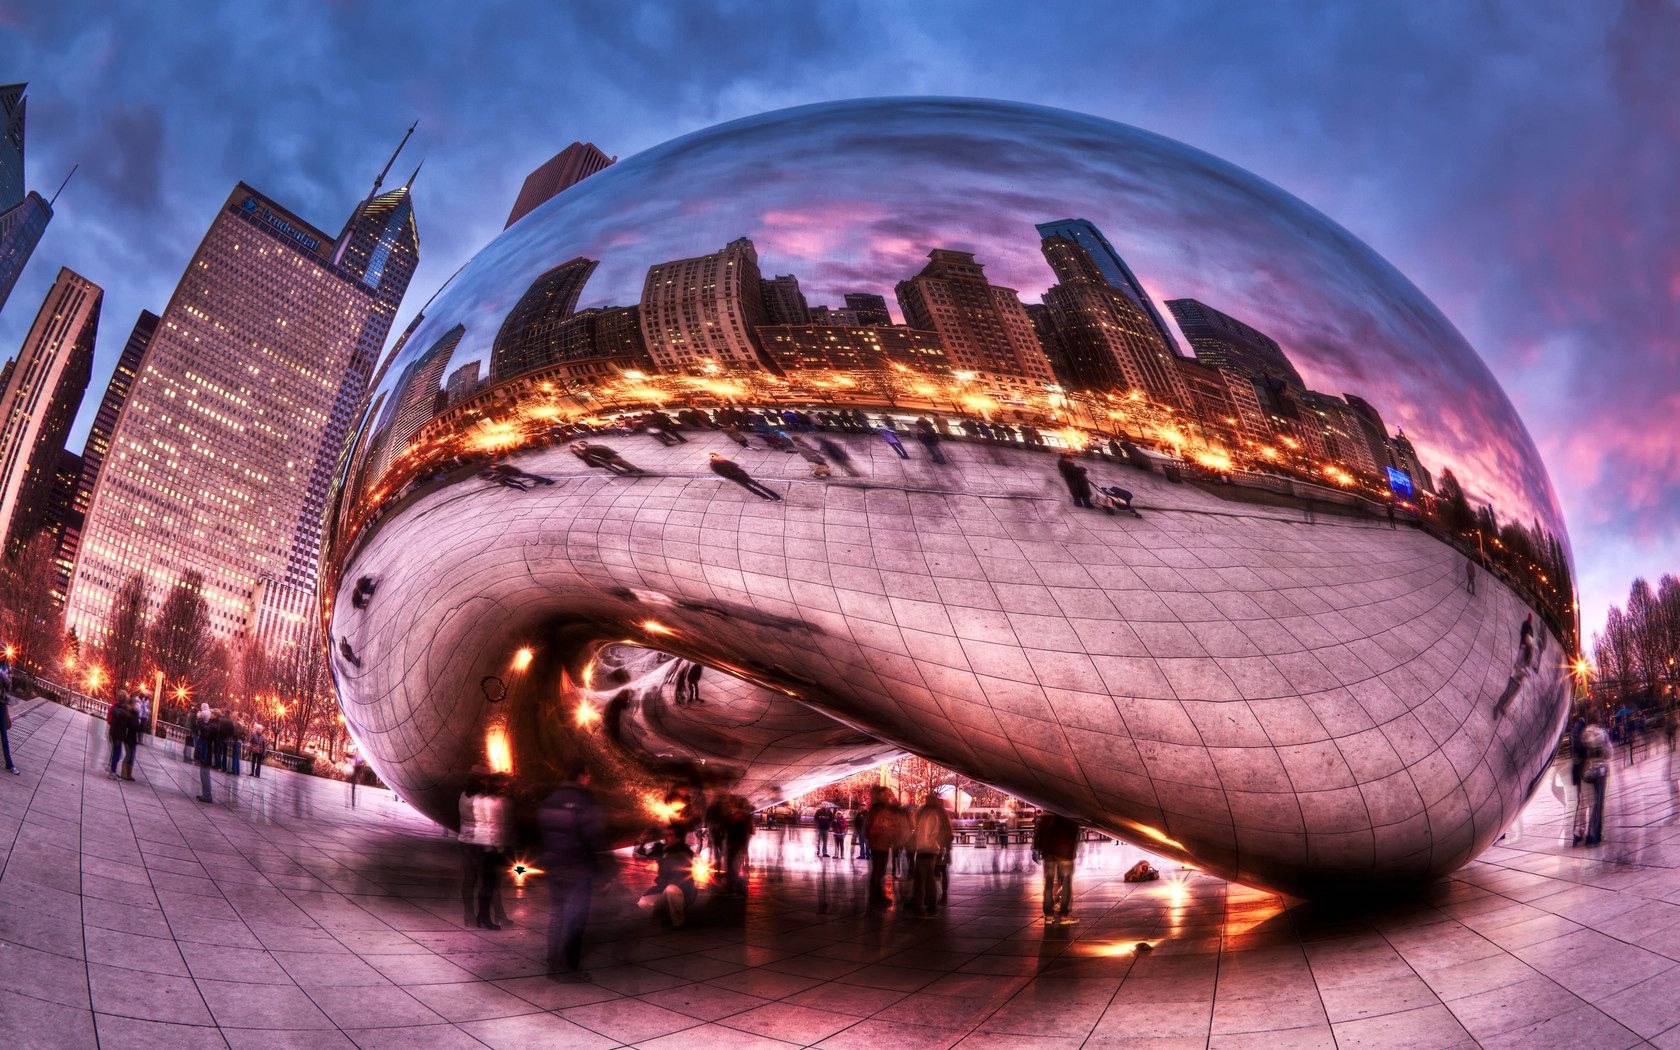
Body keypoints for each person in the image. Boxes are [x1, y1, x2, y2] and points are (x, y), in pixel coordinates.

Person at [540, 767, 605, 979]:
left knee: (557, 916)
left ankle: (553, 961)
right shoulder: (584, 801)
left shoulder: (551, 799)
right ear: (582, 776)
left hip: (554, 866)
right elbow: (593, 838)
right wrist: (602, 870)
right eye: (588, 775)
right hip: (577, 869)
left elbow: (542, 832)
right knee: (574, 919)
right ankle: (567, 968)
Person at [460, 772, 512, 929]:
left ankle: (469, 915)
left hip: (465, 840)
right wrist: (499, 846)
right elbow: (490, 824)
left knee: (469, 879)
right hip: (481, 842)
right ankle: (489, 916)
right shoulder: (483, 800)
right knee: (489, 881)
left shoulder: (463, 795)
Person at [635, 826, 698, 928]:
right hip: (663, 887)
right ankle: (665, 914)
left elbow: (676, 861)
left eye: (669, 835)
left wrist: (664, 853)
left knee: (671, 890)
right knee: (643, 903)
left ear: (678, 838)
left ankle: (678, 923)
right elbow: (642, 856)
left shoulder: (685, 851)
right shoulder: (661, 848)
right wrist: (643, 841)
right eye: (665, 835)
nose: (665, 837)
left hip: (683, 889)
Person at [909, 792, 954, 915]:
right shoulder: (938, 813)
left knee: (924, 877)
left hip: (927, 848)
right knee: (930, 877)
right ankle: (930, 903)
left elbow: (926, 832)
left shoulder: (929, 814)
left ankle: (925, 903)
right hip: (932, 849)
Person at [863, 787, 908, 908]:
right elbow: (883, 825)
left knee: (878, 871)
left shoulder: (876, 808)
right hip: (880, 843)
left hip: (879, 843)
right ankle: (876, 897)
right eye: (885, 794)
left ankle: (876, 896)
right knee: (879, 871)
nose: (888, 796)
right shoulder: (881, 809)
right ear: (880, 795)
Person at [1033, 812, 1081, 924]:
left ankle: (1048, 915)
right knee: (1066, 883)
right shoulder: (1067, 815)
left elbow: (1038, 834)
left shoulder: (1045, 817)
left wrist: (1038, 849)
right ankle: (1064, 915)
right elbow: (1073, 834)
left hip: (1048, 853)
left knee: (1048, 884)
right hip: (1064, 853)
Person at [1574, 718, 1612, 847]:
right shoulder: (1602, 733)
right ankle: (1595, 835)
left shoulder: (1585, 733)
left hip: (1588, 772)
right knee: (1599, 804)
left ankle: (1583, 833)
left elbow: (1581, 750)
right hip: (1601, 771)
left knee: (1588, 804)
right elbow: (1609, 753)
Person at [708, 453, 782, 501]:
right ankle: (766, 497)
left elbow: (735, 465)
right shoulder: (713, 465)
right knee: (751, 487)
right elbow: (721, 473)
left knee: (756, 486)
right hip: (736, 477)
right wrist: (732, 475)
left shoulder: (723, 460)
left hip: (740, 474)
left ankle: (773, 496)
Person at [722, 794, 754, 895]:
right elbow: (745, 832)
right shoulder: (742, 816)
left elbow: (738, 832)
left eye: (731, 803)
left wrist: (734, 844)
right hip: (736, 844)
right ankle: (735, 886)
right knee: (734, 865)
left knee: (732, 866)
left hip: (734, 844)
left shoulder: (737, 816)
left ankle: (733, 887)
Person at [107, 696, 139, 781]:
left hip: (119, 735)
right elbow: (131, 724)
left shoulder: (123, 711)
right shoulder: (122, 712)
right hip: (117, 735)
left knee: (118, 754)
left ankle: (113, 770)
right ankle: (113, 771)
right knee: (118, 754)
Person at [0, 660, 17, 774]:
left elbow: (9, 685)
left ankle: (9, 764)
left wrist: (2, 674)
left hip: (1, 703)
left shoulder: (7, 667)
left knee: (4, 735)